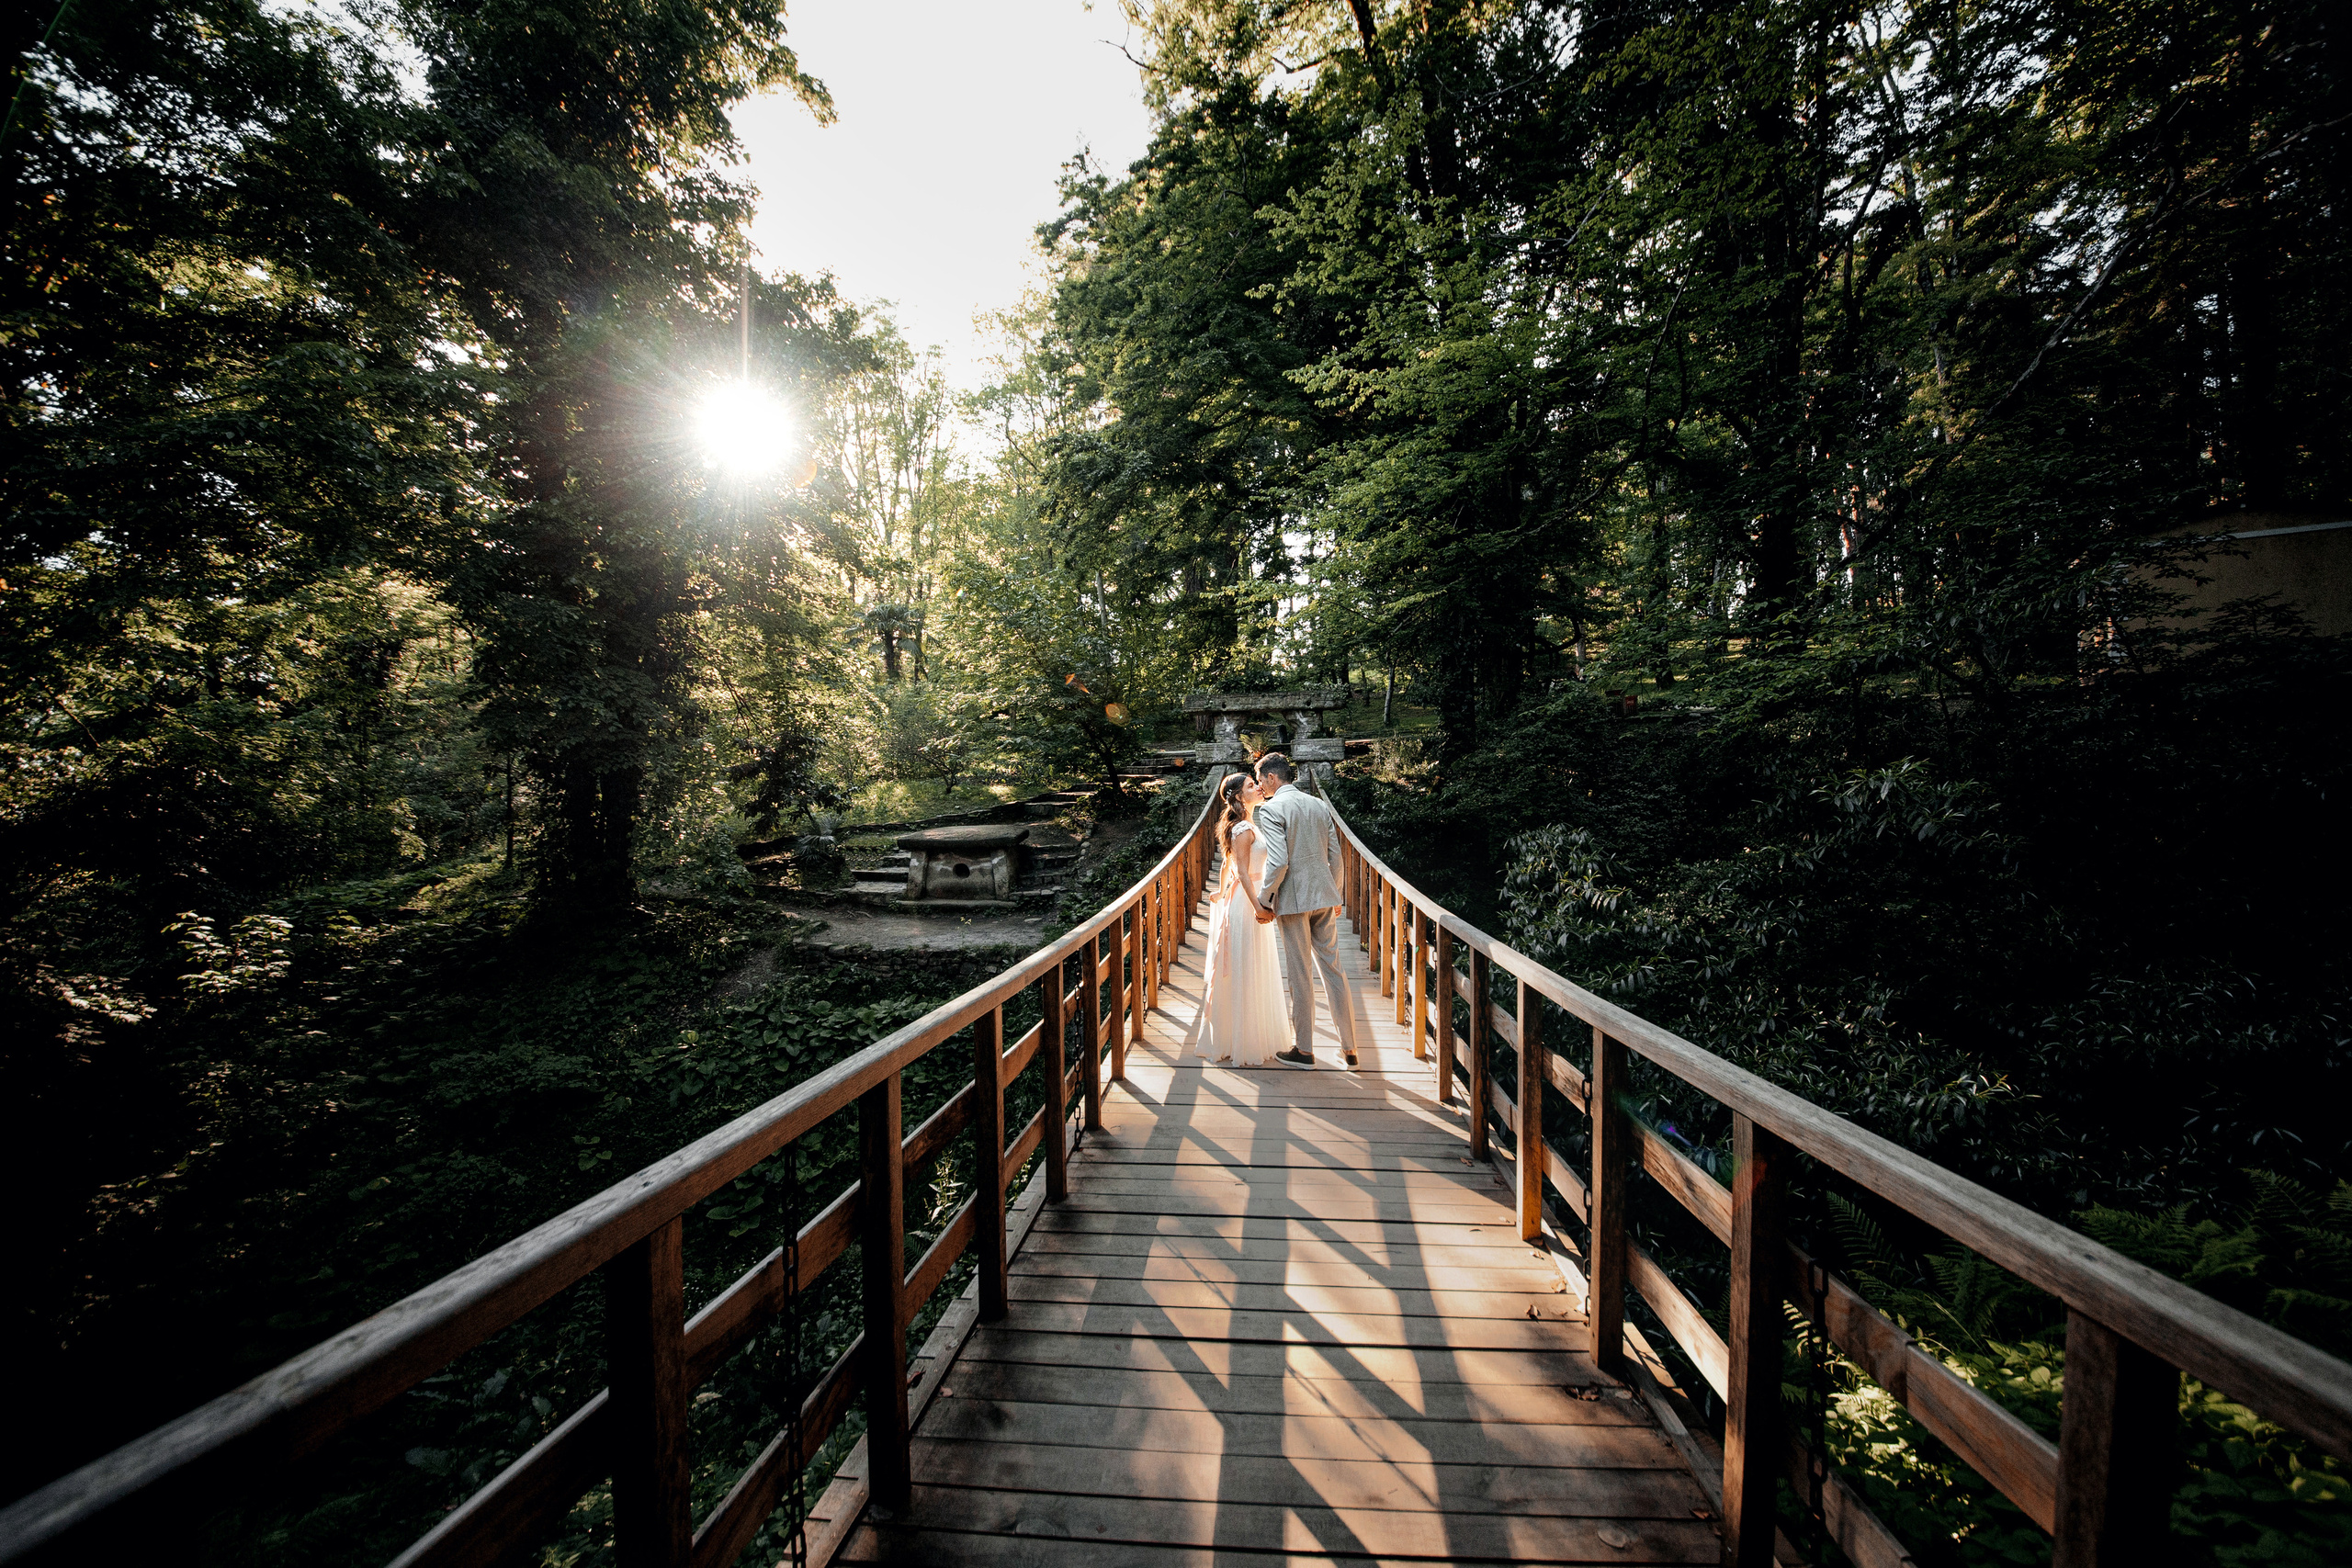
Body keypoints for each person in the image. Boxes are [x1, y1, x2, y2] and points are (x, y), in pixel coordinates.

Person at [1249, 753, 1363, 1069]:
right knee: (1334, 970)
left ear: (1272, 778)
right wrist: (1336, 893)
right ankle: (1350, 1048)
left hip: (1293, 901)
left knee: (1300, 974)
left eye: (1260, 781)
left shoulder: (1271, 810)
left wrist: (1265, 899)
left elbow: (1279, 860)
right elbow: (1336, 855)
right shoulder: (1318, 805)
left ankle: (1305, 1050)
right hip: (1324, 895)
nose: (1260, 787)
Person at [1194, 771, 1287, 1066]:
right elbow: (1243, 872)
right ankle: (1242, 1042)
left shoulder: (1246, 825)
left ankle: (1248, 1036)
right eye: (1251, 786)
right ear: (1237, 796)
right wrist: (1259, 906)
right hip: (1249, 903)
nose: (1258, 788)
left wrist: (1221, 892)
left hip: (1246, 899)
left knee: (1252, 966)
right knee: (1246, 967)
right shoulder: (1244, 828)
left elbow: (1227, 864)